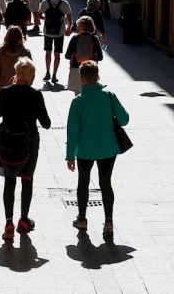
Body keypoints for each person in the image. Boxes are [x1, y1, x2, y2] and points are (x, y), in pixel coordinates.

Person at [66, 61, 128, 239]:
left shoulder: (78, 101)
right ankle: (108, 221)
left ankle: (82, 218)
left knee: (83, 183)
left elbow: (72, 131)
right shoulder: (109, 95)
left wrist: (70, 155)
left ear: (82, 79)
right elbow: (124, 120)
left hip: (84, 150)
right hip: (108, 149)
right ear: (98, 76)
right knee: (105, 183)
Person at [0, 57, 51, 242]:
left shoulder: (5, 92)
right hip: (29, 143)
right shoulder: (35, 95)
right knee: (27, 180)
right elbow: (46, 123)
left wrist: (7, 91)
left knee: (9, 182)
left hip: (8, 142)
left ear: (16, 74)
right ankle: (23, 220)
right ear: (30, 75)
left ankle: (8, 223)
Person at [40, 0, 72, 83]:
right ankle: (54, 74)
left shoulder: (46, 2)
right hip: (60, 32)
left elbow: (38, 14)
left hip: (47, 32)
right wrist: (68, 28)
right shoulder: (64, 3)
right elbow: (69, 18)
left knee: (48, 53)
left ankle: (47, 72)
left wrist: (46, 19)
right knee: (57, 54)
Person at [65, 16, 103, 95]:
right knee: (90, 93)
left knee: (78, 93)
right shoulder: (94, 38)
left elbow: (67, 56)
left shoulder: (75, 38)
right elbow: (100, 57)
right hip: (91, 69)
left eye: (78, 25)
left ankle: (80, 107)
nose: (77, 27)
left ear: (81, 27)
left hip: (76, 68)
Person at [0, 26, 32, 98]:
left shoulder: (0, 53)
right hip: (20, 89)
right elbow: (30, 73)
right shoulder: (26, 53)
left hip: (1, 89)